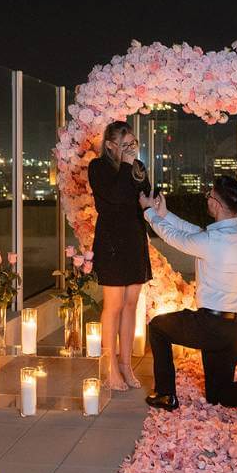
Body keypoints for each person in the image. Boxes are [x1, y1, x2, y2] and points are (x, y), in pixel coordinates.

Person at [137, 176, 237, 421]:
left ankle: (165, 394)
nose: (207, 198)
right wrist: (165, 214)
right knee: (219, 394)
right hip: (235, 330)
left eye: (209, 195)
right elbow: (195, 232)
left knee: (158, 328)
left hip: (210, 326)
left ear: (216, 204)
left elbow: (176, 238)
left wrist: (149, 213)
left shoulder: (212, 241)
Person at [88, 121, 152, 391]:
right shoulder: (98, 167)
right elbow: (114, 195)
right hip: (112, 240)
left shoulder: (137, 168)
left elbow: (144, 194)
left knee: (131, 303)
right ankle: (109, 365)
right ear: (111, 145)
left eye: (133, 144)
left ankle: (125, 363)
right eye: (125, 145)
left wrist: (155, 200)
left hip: (135, 238)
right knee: (113, 305)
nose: (130, 150)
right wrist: (126, 164)